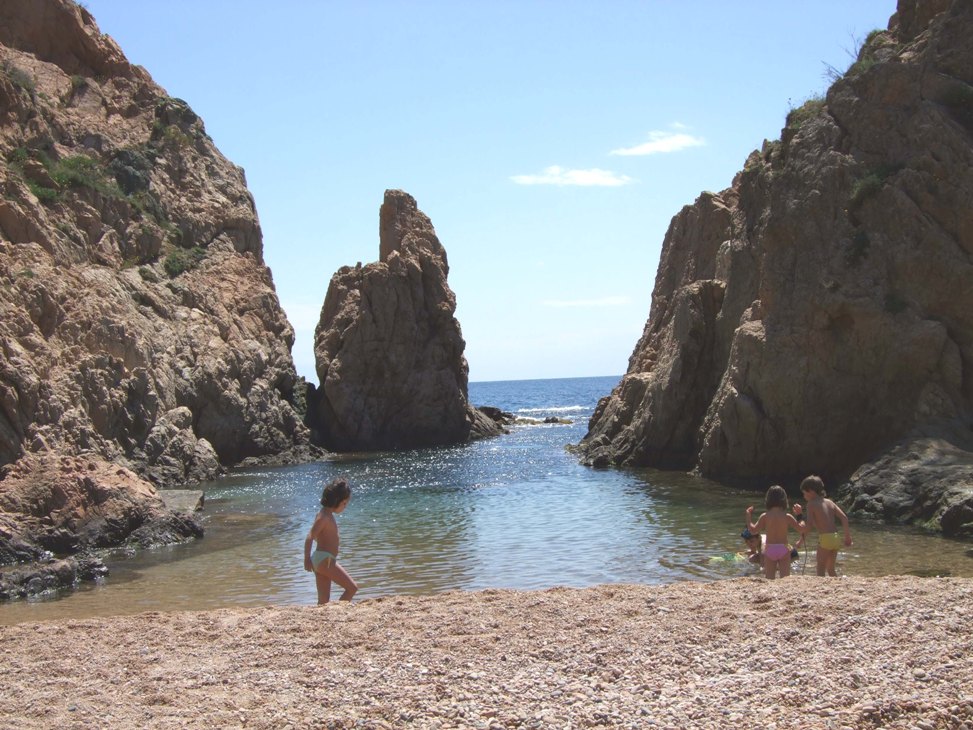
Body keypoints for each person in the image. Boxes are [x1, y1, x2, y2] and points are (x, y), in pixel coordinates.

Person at [304, 477, 358, 604]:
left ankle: (321, 619)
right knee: (352, 588)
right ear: (337, 501)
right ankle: (339, 610)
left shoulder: (324, 514)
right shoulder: (324, 516)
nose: (345, 507)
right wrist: (306, 559)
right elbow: (310, 536)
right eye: (344, 503)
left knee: (323, 601)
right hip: (325, 560)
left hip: (322, 559)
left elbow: (318, 536)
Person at [795, 475, 852, 577]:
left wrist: (801, 541)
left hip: (825, 538)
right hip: (836, 537)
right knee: (831, 569)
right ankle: (836, 587)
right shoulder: (829, 502)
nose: (804, 496)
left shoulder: (811, 504)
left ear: (811, 491)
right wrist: (847, 537)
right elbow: (844, 518)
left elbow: (809, 525)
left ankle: (822, 588)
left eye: (804, 493)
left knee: (820, 568)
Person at [745, 485, 807, 579]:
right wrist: (799, 515)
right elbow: (802, 529)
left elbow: (753, 531)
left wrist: (748, 516)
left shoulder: (765, 516)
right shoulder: (787, 516)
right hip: (784, 548)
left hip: (770, 549)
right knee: (785, 579)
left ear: (768, 500)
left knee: (769, 578)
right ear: (784, 499)